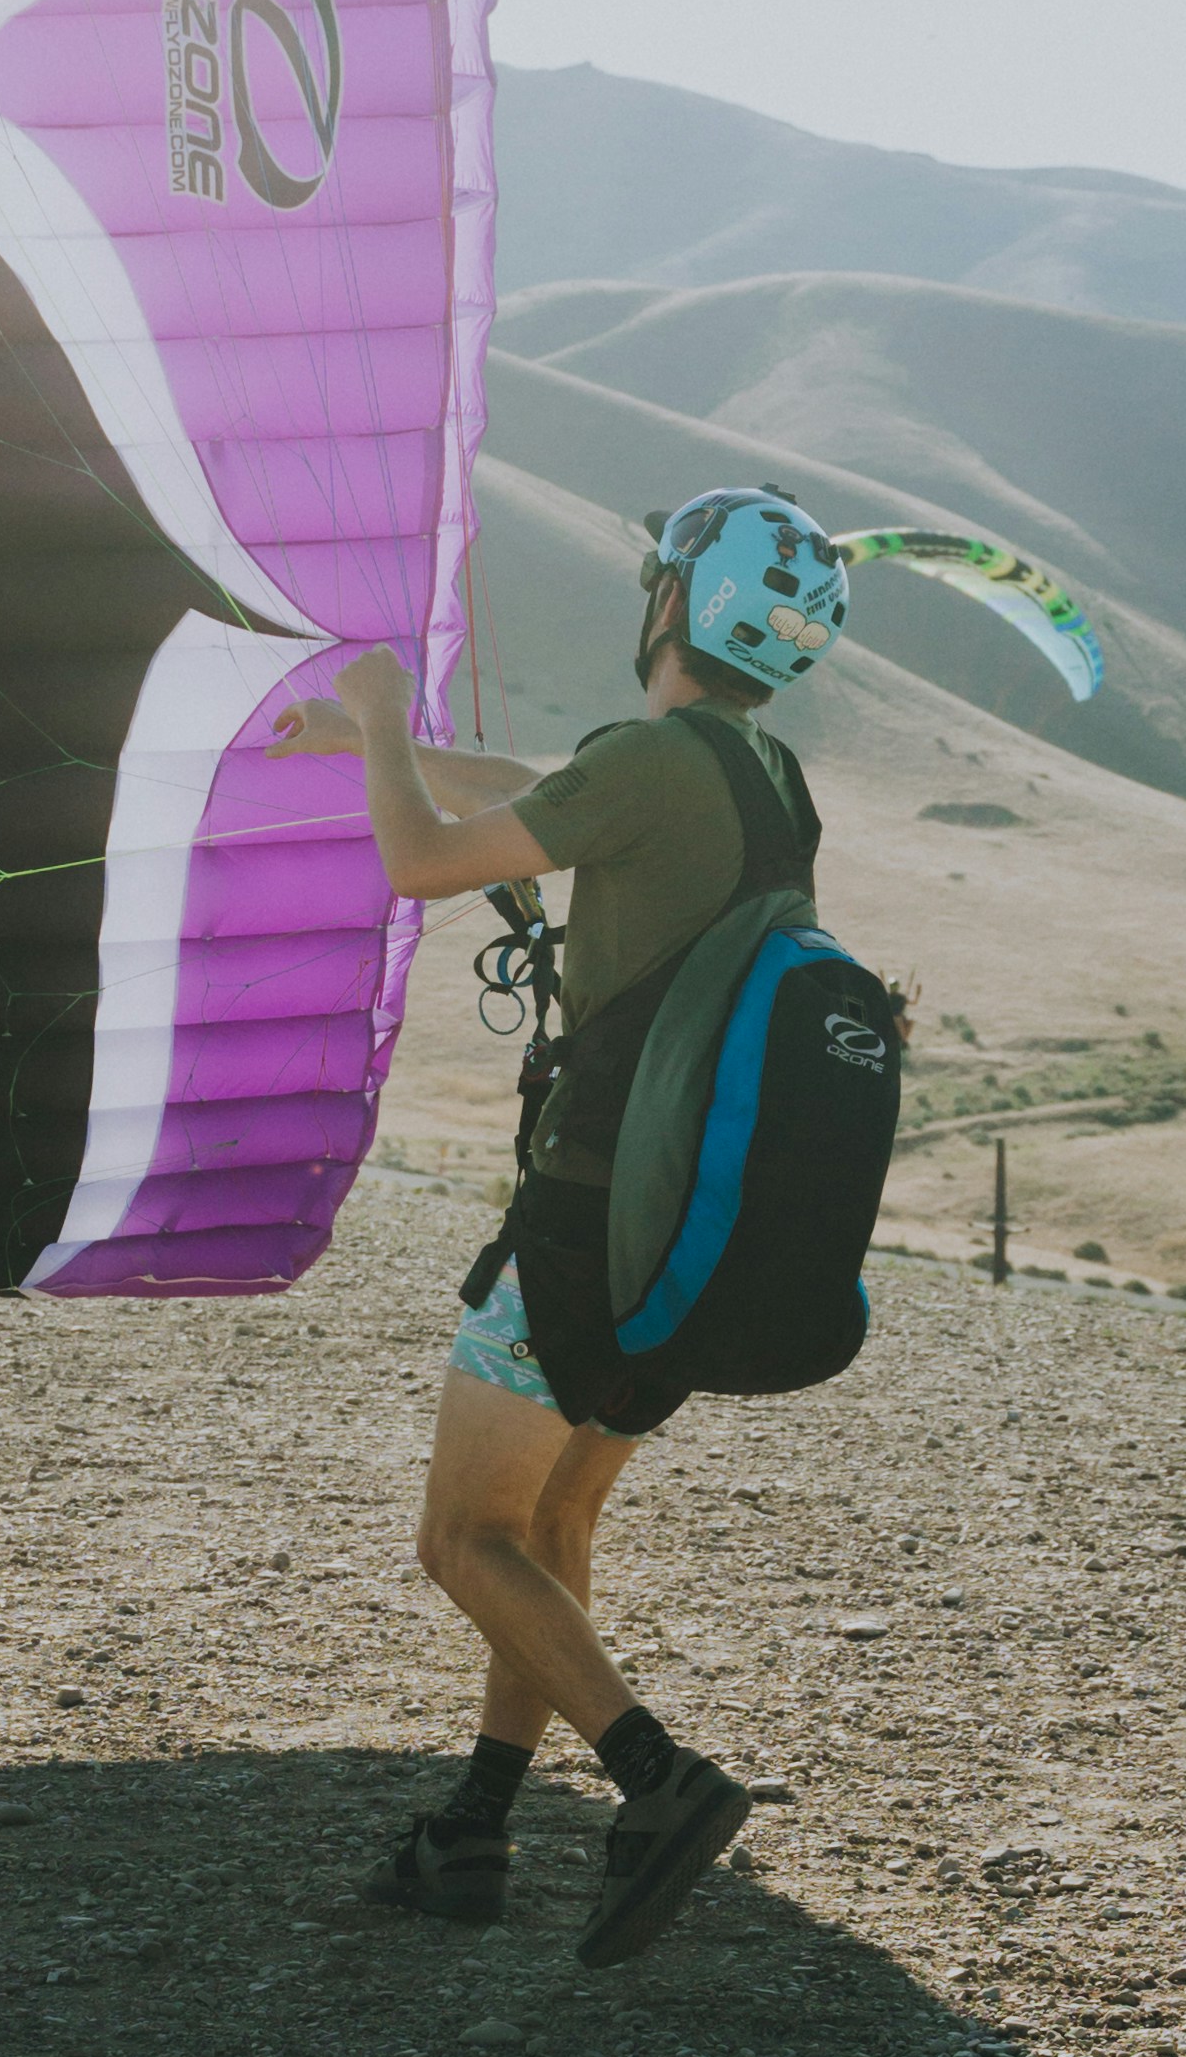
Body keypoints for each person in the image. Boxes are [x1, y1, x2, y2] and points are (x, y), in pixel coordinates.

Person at [270, 484, 857, 1969]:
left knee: (465, 1536)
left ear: (672, 602)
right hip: (680, 1242)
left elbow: (423, 863)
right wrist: (378, 750)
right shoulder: (761, 776)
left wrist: (381, 712)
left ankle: (658, 1781)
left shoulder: (651, 760)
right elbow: (557, 788)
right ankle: (472, 1830)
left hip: (582, 1226)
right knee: (552, 1525)